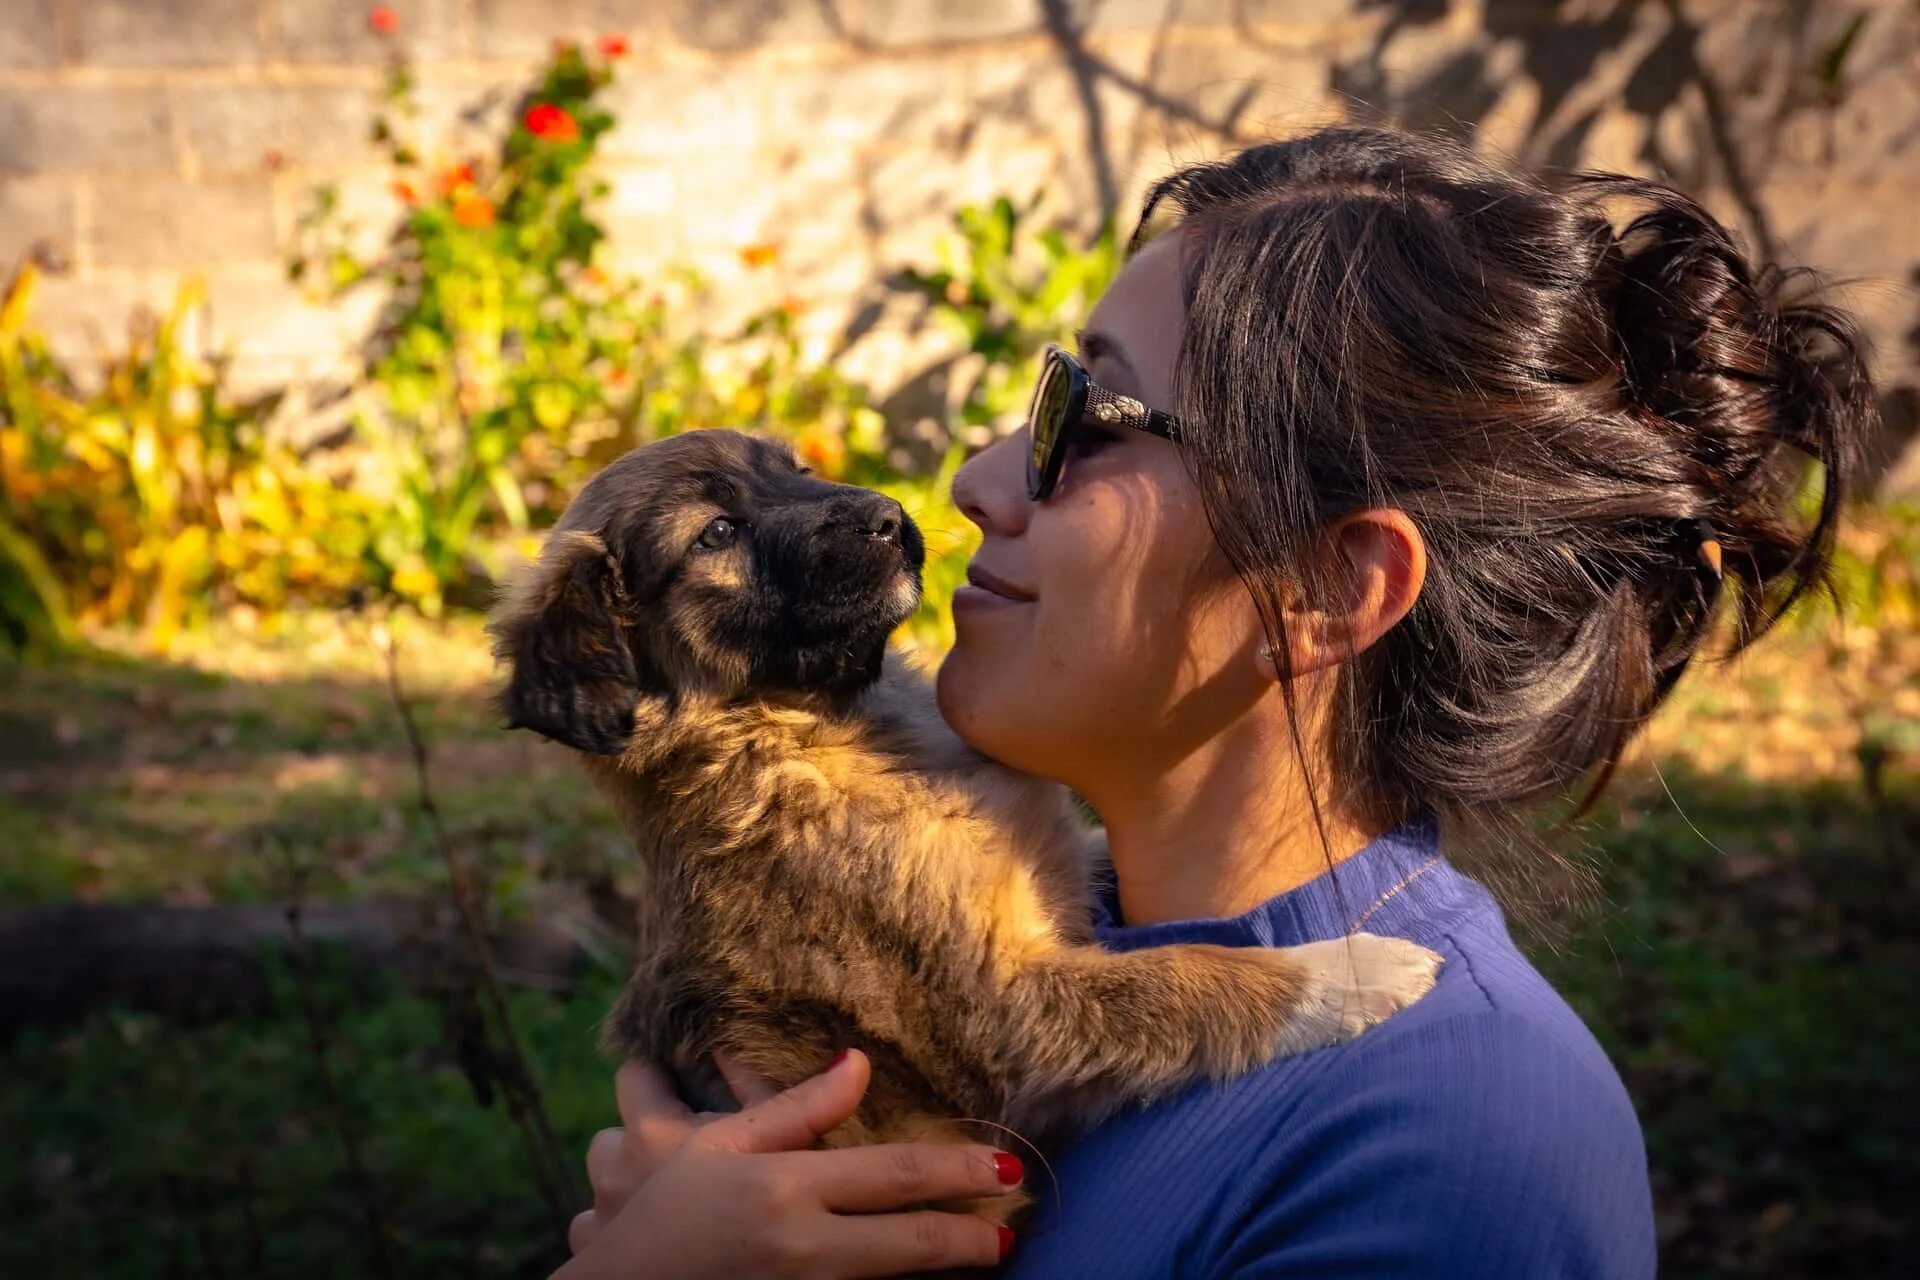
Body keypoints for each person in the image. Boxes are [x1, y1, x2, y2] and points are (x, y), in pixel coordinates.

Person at [552, 124, 1876, 1278]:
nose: (975, 476)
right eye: (1039, 394)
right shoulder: (992, 962)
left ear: (1324, 585)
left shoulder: (1457, 1138)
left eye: (1093, 417)